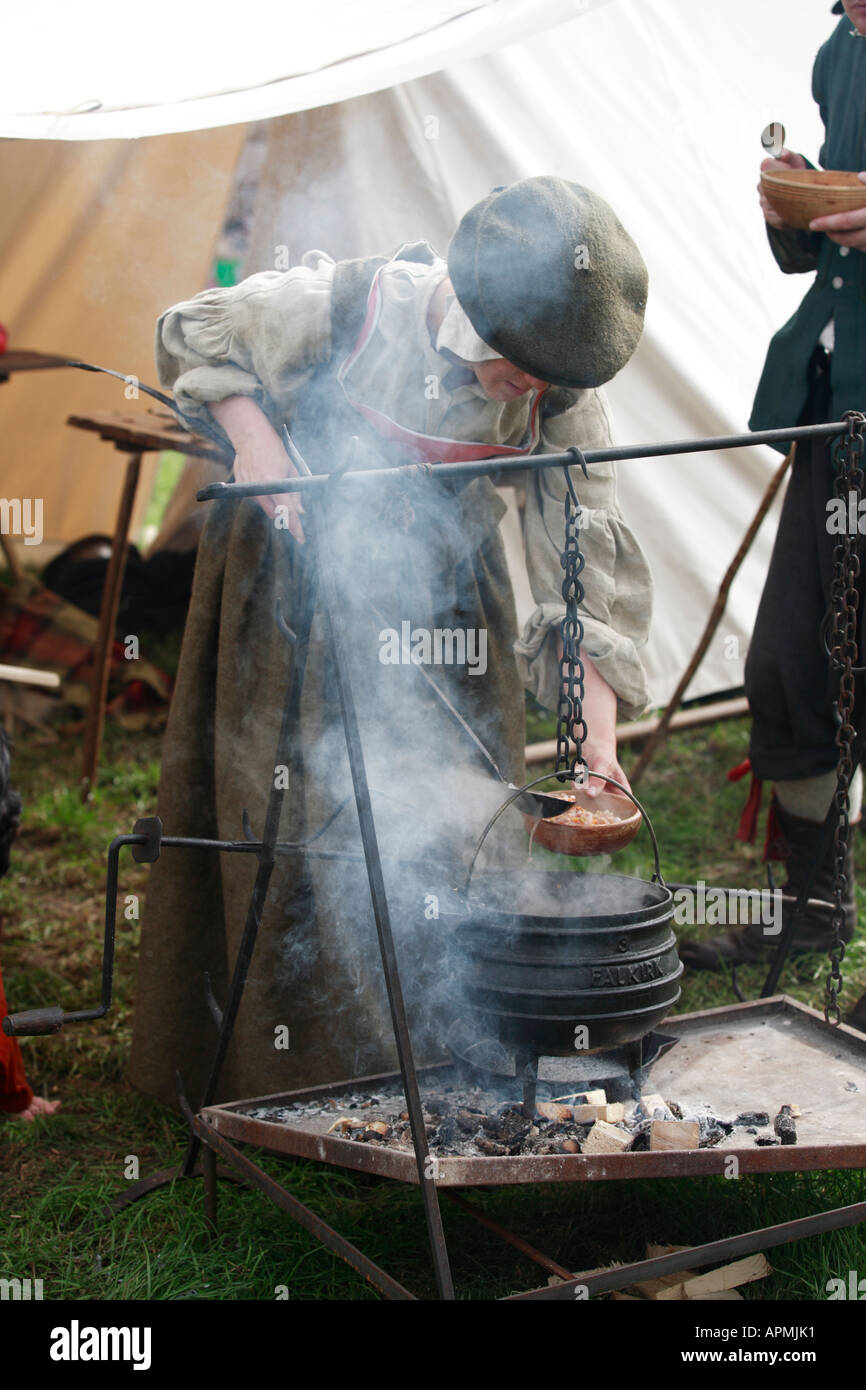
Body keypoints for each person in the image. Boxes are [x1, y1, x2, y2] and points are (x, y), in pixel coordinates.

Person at [129, 176, 655, 1108]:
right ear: (475, 304)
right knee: (297, 811)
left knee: (457, 820)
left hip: (451, 597)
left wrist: (600, 751)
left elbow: (586, 582)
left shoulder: (560, 392)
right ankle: (287, 1073)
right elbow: (192, 328)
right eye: (518, 361)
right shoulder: (346, 306)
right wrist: (256, 442)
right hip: (290, 579)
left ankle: (445, 1050)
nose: (530, 385)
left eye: (548, 372)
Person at [680, 3, 866, 1028]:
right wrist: (791, 204)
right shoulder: (835, 49)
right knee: (792, 665)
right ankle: (813, 907)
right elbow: (818, 262)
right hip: (836, 407)